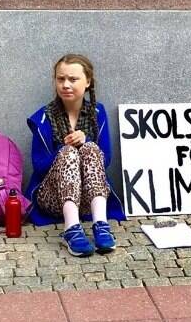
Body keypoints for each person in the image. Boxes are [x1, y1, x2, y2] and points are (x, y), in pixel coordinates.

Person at [26, 54, 125, 257]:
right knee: (68, 153)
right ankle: (71, 229)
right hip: (53, 199)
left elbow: (105, 160)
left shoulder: (97, 112)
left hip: (88, 200)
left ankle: (101, 225)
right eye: (61, 79)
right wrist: (64, 149)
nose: (66, 85)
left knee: (90, 148)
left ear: (87, 82)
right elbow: (38, 166)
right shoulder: (44, 117)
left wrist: (86, 140)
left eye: (73, 79)